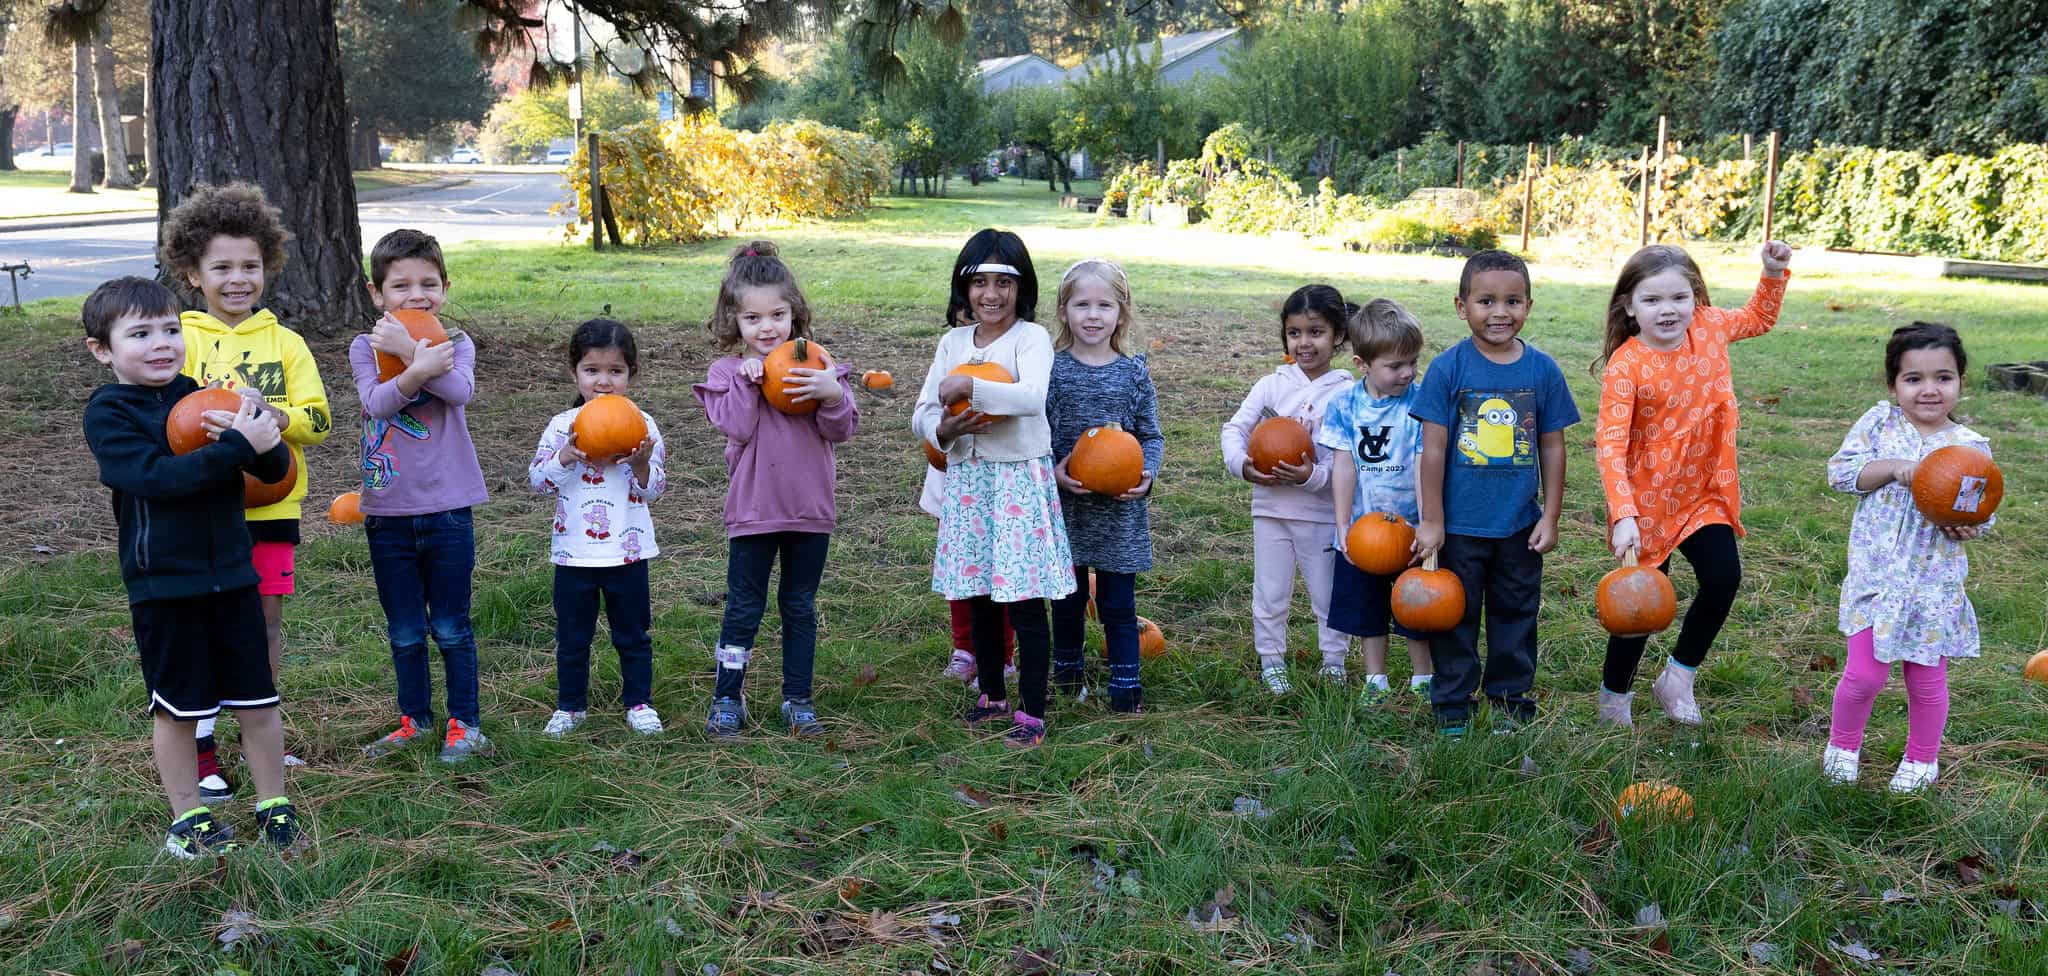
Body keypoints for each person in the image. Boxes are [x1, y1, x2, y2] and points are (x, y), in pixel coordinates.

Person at [81, 276, 300, 856]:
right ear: (102, 349)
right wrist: (234, 448)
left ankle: (273, 803)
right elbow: (157, 480)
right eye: (140, 333)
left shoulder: (203, 396)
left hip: (233, 573)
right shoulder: (109, 415)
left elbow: (273, 473)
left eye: (171, 330)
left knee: (258, 699)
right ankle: (189, 819)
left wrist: (264, 435)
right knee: (179, 707)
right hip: (165, 585)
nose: (161, 343)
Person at [159, 182, 331, 795]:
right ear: (191, 271)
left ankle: (259, 730)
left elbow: (321, 418)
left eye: (250, 266)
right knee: (205, 622)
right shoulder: (178, 337)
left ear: (269, 267)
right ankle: (201, 743)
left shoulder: (286, 344)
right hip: (203, 506)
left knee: (264, 620)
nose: (238, 279)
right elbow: (163, 415)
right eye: (222, 267)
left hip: (272, 503)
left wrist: (278, 419)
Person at [1592, 241, 1793, 727]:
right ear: (1629, 306)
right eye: (1653, 300)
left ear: (1696, 299)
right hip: (1649, 503)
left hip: (1706, 491)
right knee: (1639, 605)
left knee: (1723, 579)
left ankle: (1678, 678)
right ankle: (1614, 697)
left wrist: (1771, 272)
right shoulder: (1627, 365)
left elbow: (1759, 319)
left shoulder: (1710, 327)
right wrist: (1624, 515)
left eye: (1679, 298)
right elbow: (1610, 446)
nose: (1668, 310)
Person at [911, 228, 1074, 749]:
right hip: (969, 482)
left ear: (1021, 287)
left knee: (1023, 596)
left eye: (1004, 282)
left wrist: (972, 387)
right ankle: (991, 692)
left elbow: (1031, 396)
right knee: (979, 589)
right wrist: (944, 429)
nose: (991, 294)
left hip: (1018, 480)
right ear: (964, 288)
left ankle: (1031, 708)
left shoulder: (1031, 338)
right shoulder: (952, 343)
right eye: (979, 282)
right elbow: (922, 412)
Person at [693, 242, 858, 740]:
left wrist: (831, 393)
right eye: (752, 318)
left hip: (810, 512)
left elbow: (841, 430)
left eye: (778, 315)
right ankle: (727, 695)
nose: (767, 328)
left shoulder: (819, 366)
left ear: (795, 314)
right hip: (754, 512)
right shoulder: (727, 374)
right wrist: (747, 383)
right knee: (744, 606)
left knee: (799, 606)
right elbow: (738, 429)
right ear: (734, 322)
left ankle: (798, 698)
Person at [1412, 251, 1580, 735]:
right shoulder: (1448, 369)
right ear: (1462, 306)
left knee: (1515, 614)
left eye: (1512, 300)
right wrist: (1433, 520)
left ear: (1528, 304)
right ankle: (1452, 705)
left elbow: (1552, 446)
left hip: (1518, 525)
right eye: (1486, 300)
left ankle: (1509, 702)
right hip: (1459, 527)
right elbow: (1434, 449)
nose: (1499, 312)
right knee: (1454, 617)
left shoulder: (1542, 371)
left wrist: (1550, 516)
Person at [1823, 323, 1990, 793]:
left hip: (1931, 587)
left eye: (1943, 377)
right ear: (1893, 385)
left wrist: (1969, 524)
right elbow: (1841, 473)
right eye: (1913, 379)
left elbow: (1981, 508)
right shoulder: (1880, 424)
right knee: (1864, 675)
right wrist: (1895, 469)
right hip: (1876, 580)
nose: (1929, 389)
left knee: (1926, 681)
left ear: (1960, 382)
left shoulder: (1971, 448)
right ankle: (1843, 745)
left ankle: (1921, 760)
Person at [351, 229, 493, 763]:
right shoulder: (365, 346)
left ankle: (466, 723)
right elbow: (377, 402)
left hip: (449, 507)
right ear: (376, 293)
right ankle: (414, 719)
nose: (417, 295)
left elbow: (459, 392)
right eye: (401, 285)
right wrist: (414, 365)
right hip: (388, 510)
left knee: (451, 625)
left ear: (445, 287)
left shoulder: (457, 344)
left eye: (428, 284)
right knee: (405, 629)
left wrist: (414, 353)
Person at [530, 319, 667, 736]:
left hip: (628, 551)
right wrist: (566, 456)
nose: (603, 381)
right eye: (592, 371)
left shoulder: (642, 425)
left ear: (630, 374)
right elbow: (537, 481)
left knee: (633, 634)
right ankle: (571, 706)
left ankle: (638, 702)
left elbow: (655, 490)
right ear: (575, 372)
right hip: (574, 554)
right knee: (573, 637)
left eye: (615, 371)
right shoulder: (561, 426)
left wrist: (641, 464)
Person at [1220, 285, 1356, 694]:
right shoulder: (1271, 386)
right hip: (1271, 511)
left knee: (1327, 594)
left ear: (1338, 336)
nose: (1304, 342)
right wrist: (1243, 465)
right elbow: (1235, 429)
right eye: (1295, 333)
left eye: (1315, 332)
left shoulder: (1347, 393)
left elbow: (1348, 465)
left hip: (1322, 515)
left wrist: (1311, 477)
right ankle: (1272, 660)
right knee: (1271, 590)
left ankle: (1333, 660)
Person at [1046, 258, 1163, 713]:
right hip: (1068, 507)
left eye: (1104, 305)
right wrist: (1054, 471)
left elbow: (1150, 434)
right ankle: (1069, 679)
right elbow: (1039, 433)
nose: (1092, 315)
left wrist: (1147, 473)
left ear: (1121, 313)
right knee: (1068, 601)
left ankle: (1125, 687)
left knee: (1117, 604)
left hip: (1119, 513)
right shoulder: (1054, 371)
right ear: (1063, 311)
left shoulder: (1133, 372)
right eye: (1082, 305)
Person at [1320, 298, 1435, 700]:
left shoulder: (1421, 403)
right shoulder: (1344, 406)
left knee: (1417, 603)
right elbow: (1344, 466)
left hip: (1411, 529)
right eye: (1395, 366)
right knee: (1368, 611)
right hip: (1363, 530)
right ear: (1362, 364)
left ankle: (1424, 677)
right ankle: (1376, 680)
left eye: (1413, 362)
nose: (1407, 373)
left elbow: (1424, 464)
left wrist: (1426, 522)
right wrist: (1342, 527)